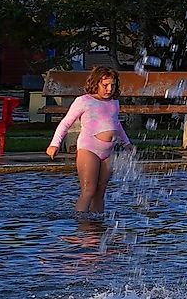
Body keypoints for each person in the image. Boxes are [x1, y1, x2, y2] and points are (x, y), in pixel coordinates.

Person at [47, 67, 132, 215]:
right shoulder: (84, 101)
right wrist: (55, 143)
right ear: (96, 83)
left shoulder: (114, 103)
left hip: (108, 151)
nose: (109, 89)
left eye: (112, 85)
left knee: (101, 190)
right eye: (105, 85)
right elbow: (66, 123)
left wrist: (126, 142)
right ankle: (81, 221)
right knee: (89, 189)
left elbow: (116, 124)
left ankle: (97, 221)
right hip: (89, 149)